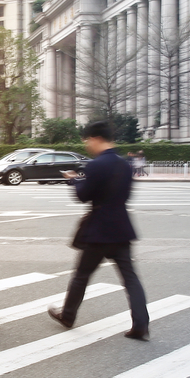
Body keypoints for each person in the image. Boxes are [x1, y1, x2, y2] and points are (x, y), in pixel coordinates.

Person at [48, 120, 150, 340]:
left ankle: (67, 315)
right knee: (130, 278)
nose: (86, 145)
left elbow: (83, 196)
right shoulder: (125, 165)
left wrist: (74, 181)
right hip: (122, 227)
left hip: (99, 230)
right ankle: (141, 325)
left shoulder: (95, 165)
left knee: (81, 275)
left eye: (87, 141)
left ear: (95, 139)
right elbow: (126, 195)